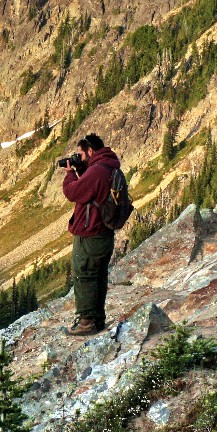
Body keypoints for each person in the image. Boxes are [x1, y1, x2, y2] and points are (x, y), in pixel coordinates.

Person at [59, 133, 121, 336]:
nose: (79, 157)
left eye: (80, 154)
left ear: (90, 151)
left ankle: (86, 322)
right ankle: (98, 319)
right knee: (99, 276)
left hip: (90, 233)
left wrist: (70, 174)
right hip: (104, 233)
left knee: (84, 275)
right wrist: (81, 169)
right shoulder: (109, 166)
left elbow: (73, 192)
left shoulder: (96, 171)